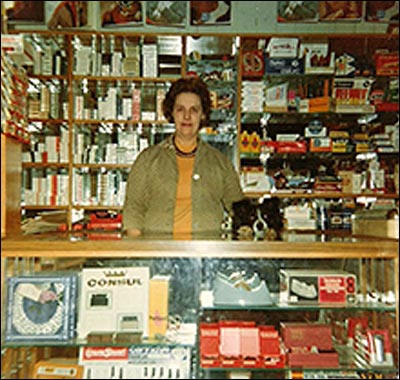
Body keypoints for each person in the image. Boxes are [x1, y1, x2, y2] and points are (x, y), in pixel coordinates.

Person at [123, 76, 244, 239]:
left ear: (203, 115)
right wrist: (140, 254)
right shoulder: (147, 159)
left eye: (194, 110)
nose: (187, 116)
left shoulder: (220, 163)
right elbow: (133, 210)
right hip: (158, 255)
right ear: (171, 113)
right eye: (180, 109)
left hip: (205, 257)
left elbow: (240, 210)